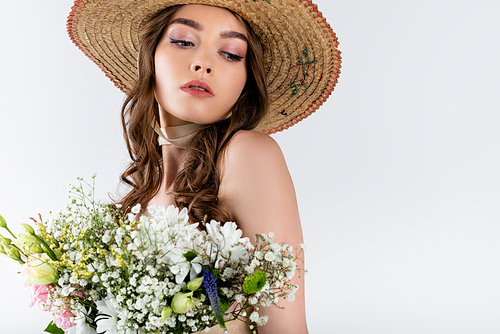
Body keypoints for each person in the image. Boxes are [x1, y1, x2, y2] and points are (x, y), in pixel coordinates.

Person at [68, 1, 341, 333]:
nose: (202, 63)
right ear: (150, 56)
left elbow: (286, 328)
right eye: (183, 41)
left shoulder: (248, 155)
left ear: (245, 83)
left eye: (230, 53)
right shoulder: (142, 190)